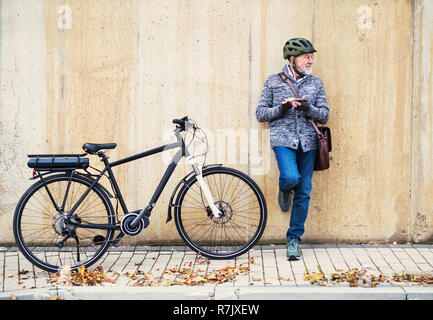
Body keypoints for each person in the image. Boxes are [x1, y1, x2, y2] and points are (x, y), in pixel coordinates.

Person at [255, 38, 329, 260]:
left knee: (304, 191)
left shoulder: (316, 83)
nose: (310, 60)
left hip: (309, 143)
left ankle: (294, 239)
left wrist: (308, 108)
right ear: (292, 59)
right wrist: (283, 107)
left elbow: (324, 114)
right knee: (290, 177)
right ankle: (284, 188)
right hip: (283, 140)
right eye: (306, 56)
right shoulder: (273, 82)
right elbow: (260, 114)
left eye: (311, 56)